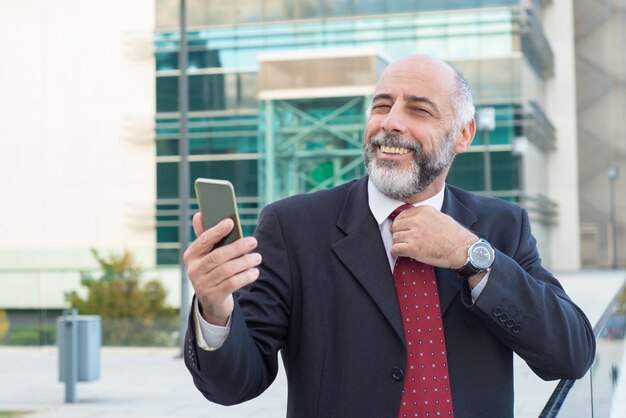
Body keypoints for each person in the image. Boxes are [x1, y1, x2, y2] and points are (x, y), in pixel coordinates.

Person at [182, 54, 596, 418]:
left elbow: (571, 355)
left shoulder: (501, 227)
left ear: (464, 135)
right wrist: (216, 310)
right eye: (382, 106)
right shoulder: (293, 227)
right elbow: (234, 385)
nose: (391, 122)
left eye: (419, 110)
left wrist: (471, 254)